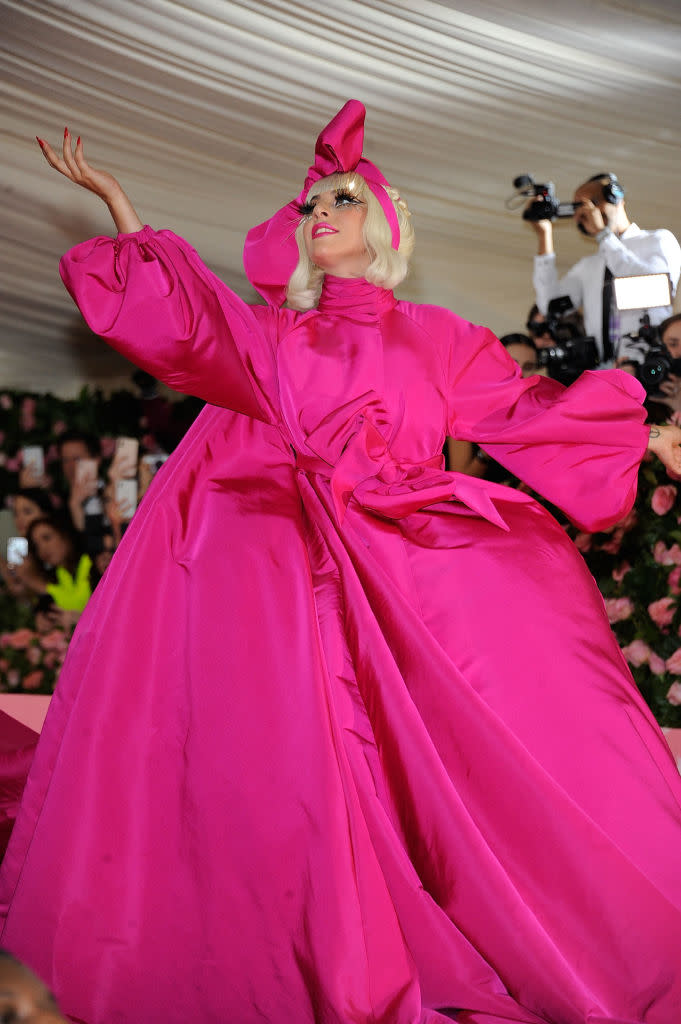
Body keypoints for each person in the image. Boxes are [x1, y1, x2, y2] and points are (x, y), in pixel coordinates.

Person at [3, 103, 681, 1024]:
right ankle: (319, 952)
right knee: (310, 786)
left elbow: (528, 410)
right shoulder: (278, 338)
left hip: (407, 571)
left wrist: (646, 437)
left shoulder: (440, 337)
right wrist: (125, 211)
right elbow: (197, 328)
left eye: (345, 198)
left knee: (497, 736)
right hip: (298, 581)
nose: (320, 212)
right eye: (311, 203)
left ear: (387, 226)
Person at [529, 172, 681, 365]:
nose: (585, 213)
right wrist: (544, 235)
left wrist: (603, 235)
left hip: (648, 367)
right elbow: (549, 304)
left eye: (592, 203)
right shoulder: (590, 265)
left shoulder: (658, 240)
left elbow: (651, 289)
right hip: (606, 371)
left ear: (617, 199)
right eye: (579, 207)